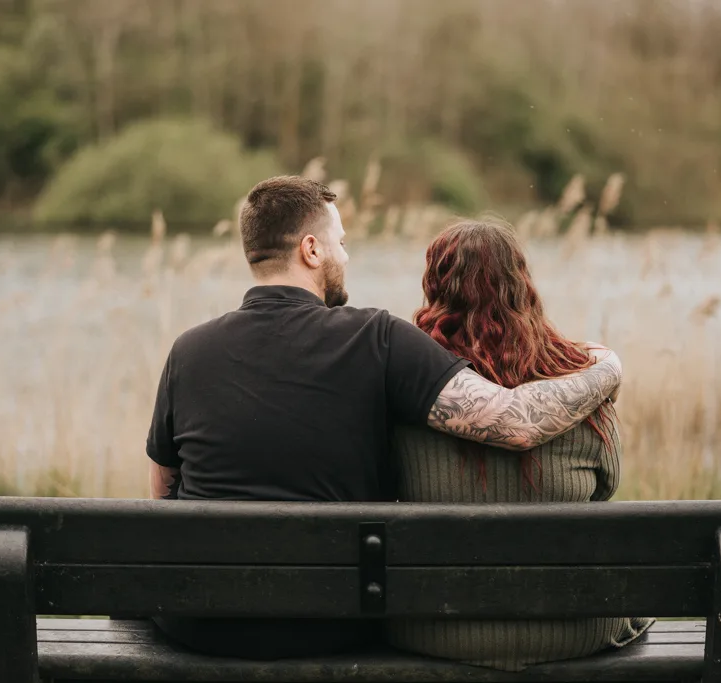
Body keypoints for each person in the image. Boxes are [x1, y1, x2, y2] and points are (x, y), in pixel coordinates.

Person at [146, 177, 623, 660]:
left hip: (199, 623)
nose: (346, 257)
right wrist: (604, 371)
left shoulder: (188, 350)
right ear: (311, 249)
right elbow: (513, 420)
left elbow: (164, 492)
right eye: (342, 243)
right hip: (329, 627)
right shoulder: (377, 339)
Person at [387, 219, 653, 671]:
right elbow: (605, 487)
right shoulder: (580, 385)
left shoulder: (404, 394)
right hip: (573, 629)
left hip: (433, 628)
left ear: (434, 286)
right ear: (522, 284)